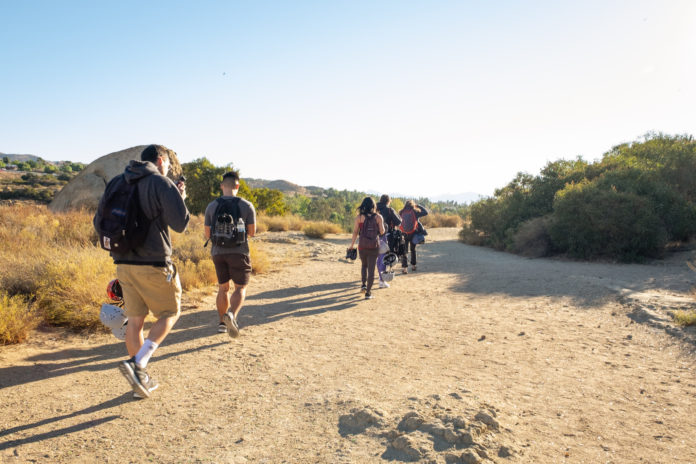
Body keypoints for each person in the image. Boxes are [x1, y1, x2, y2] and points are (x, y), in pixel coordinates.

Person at [94, 144, 190, 399]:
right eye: (168, 164)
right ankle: (138, 364)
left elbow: (97, 222)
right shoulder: (161, 182)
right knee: (170, 312)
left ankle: (140, 381)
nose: (169, 168)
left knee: (135, 322)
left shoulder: (117, 182)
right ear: (161, 161)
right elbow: (180, 224)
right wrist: (179, 197)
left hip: (123, 263)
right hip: (154, 263)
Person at [204, 170, 256, 338]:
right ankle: (232, 314)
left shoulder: (212, 206)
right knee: (240, 288)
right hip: (239, 252)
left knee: (223, 288)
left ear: (222, 186)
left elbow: (207, 234)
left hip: (218, 252)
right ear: (237, 185)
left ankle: (221, 323)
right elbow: (252, 232)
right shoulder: (247, 205)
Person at [348, 197, 385, 299]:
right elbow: (382, 232)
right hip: (374, 246)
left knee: (364, 265)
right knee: (371, 269)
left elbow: (355, 232)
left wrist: (352, 245)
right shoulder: (378, 217)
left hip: (362, 246)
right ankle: (368, 293)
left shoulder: (359, 218)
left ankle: (363, 284)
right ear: (374, 206)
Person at [376, 194, 402, 288]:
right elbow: (399, 222)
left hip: (373, 236)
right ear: (388, 201)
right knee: (384, 258)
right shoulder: (389, 210)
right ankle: (382, 281)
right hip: (387, 236)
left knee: (379, 258)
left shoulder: (374, 209)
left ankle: (380, 277)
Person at [399, 200, 429, 273]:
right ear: (412, 205)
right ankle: (413, 266)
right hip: (413, 233)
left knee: (404, 251)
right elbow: (426, 212)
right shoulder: (415, 212)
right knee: (413, 249)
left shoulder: (401, 212)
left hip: (404, 233)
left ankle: (405, 268)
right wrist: (418, 205)